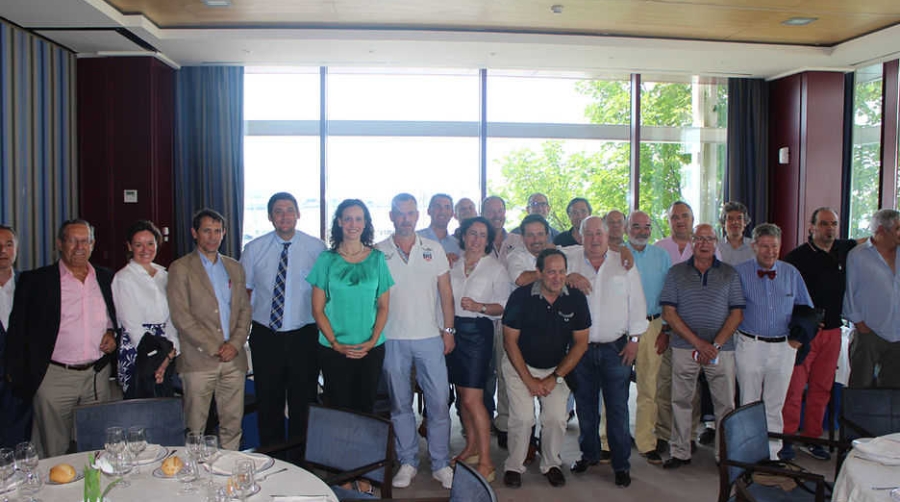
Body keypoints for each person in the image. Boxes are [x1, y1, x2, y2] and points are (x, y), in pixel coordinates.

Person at [5, 219, 119, 457]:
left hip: (96, 377)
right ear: (59, 244)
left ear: (93, 244)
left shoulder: (107, 278)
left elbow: (114, 318)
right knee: (53, 449)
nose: (79, 246)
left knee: (97, 445)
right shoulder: (36, 281)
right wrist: (17, 375)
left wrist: (112, 333)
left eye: (85, 240)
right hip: (54, 376)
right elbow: (18, 331)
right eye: (72, 240)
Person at [376, 193, 456, 490]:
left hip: (429, 338)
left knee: (438, 403)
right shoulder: (378, 252)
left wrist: (449, 331)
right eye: (400, 213)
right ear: (392, 217)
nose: (406, 219)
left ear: (417, 215)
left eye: (411, 213)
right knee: (400, 405)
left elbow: (446, 294)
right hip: (393, 338)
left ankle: (440, 463)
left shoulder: (433, 249)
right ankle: (407, 460)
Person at [565, 216, 647, 488]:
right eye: (588, 234)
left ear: (607, 234)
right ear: (580, 236)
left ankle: (621, 464)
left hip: (616, 348)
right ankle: (589, 454)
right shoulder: (568, 258)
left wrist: (635, 339)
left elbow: (637, 304)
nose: (594, 239)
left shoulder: (623, 263)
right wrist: (566, 276)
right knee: (586, 408)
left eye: (599, 233)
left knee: (618, 410)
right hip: (581, 350)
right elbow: (539, 265)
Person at [240, 192, 326, 449]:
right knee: (268, 401)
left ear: (298, 214)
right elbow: (244, 293)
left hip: (304, 335)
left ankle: (302, 461)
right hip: (266, 335)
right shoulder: (254, 249)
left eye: (290, 210)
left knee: (304, 401)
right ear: (270, 217)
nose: (284, 216)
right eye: (278, 211)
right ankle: (273, 457)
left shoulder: (317, 249)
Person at [501, 249, 590, 489]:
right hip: (519, 363)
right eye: (550, 272)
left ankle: (551, 464)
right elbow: (509, 342)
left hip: (556, 366)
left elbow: (581, 344)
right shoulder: (520, 297)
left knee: (555, 418)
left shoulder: (576, 298)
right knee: (523, 418)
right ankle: (513, 466)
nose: (557, 277)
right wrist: (529, 380)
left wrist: (555, 377)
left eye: (561, 272)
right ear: (538, 273)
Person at [659, 224, 744, 469]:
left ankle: (724, 454)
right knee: (681, 400)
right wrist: (698, 343)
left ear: (716, 242)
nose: (704, 243)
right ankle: (680, 451)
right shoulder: (676, 273)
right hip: (685, 347)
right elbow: (669, 312)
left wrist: (714, 345)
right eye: (699, 238)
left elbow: (737, 314)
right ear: (693, 241)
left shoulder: (730, 273)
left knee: (725, 404)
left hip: (721, 350)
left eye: (709, 239)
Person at [168, 208, 252, 451]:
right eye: (207, 231)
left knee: (232, 426)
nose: (213, 237)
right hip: (198, 361)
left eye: (217, 231)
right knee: (195, 429)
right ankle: (194, 480)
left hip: (233, 360)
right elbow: (181, 316)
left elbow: (245, 311)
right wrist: (216, 347)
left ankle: (229, 478)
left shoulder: (234, 267)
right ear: (195, 233)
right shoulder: (180, 268)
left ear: (224, 233)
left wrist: (234, 345)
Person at [781, 207, 855, 461]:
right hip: (804, 333)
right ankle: (788, 438)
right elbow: (783, 296)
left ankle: (812, 438)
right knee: (794, 388)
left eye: (833, 223)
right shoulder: (796, 258)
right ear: (811, 227)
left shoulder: (843, 250)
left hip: (834, 332)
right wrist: (802, 322)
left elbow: (871, 240)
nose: (829, 228)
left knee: (822, 388)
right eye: (824, 224)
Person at [734, 223, 813, 460]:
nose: (770, 251)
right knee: (748, 402)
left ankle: (772, 455)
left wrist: (797, 341)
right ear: (754, 246)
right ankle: (746, 455)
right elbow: (730, 309)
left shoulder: (791, 273)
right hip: (750, 345)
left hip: (783, 347)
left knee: (775, 405)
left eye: (775, 246)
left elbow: (807, 309)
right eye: (765, 246)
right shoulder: (738, 273)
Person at [307, 199, 393, 413]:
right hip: (333, 349)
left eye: (358, 219)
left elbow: (383, 306)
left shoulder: (377, 259)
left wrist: (372, 341)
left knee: (365, 409)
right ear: (339, 222)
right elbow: (317, 309)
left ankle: (363, 448)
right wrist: (335, 343)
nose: (353, 224)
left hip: (370, 349)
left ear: (365, 224)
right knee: (338, 410)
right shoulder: (326, 259)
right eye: (347, 219)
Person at [446, 216, 510, 484]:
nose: (476, 239)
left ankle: (486, 460)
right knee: (462, 397)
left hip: (478, 333)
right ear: (463, 236)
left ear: (488, 239)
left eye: (482, 235)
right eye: (472, 233)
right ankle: (471, 448)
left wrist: (480, 307)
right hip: (453, 331)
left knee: (474, 399)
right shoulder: (454, 264)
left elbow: (503, 306)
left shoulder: (495, 268)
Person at [624, 211, 672, 465]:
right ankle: (609, 441)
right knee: (615, 387)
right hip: (621, 329)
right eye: (636, 226)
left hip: (653, 325)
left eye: (647, 227)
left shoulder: (661, 256)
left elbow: (669, 296)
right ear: (625, 227)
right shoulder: (615, 254)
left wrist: (665, 330)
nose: (642, 231)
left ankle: (645, 441)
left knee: (649, 387)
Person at [112, 220, 180, 399]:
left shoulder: (164, 275)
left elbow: (173, 318)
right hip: (139, 351)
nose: (145, 249)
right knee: (139, 415)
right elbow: (133, 327)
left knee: (163, 413)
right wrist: (159, 360)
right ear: (129, 246)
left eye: (150, 243)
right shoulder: (123, 278)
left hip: (167, 349)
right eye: (138, 245)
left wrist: (171, 352)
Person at [843, 208, 900, 388]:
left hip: (897, 334)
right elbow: (849, 293)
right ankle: (854, 418)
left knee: (893, 391)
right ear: (882, 230)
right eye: (898, 228)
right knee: (860, 387)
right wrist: (861, 326)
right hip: (868, 333)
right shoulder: (858, 255)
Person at [0, 225, 32, 448]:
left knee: (18, 442)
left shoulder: (29, 285)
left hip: (19, 379)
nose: (3, 250)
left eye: (8, 245)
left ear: (17, 250)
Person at [417, 193, 462, 265]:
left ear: (452, 213)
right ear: (429, 211)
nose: (442, 211)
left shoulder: (457, 244)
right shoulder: (415, 238)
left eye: (447, 207)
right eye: (437, 206)